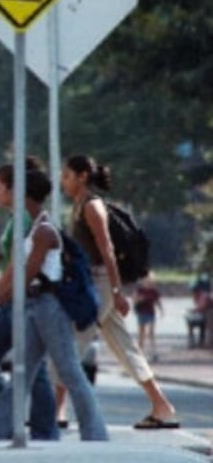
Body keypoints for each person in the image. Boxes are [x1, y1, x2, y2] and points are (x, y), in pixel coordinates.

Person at [0, 170, 108, 442]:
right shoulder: (34, 228)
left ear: (24, 194)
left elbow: (27, 273)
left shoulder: (45, 231)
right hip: (34, 305)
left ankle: (95, 433)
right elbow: (18, 271)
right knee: (22, 374)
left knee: (70, 371)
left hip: (50, 307)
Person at [58, 154, 178, 429]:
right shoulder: (78, 206)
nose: (63, 181)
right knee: (124, 347)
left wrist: (116, 291)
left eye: (66, 176)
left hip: (100, 284)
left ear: (82, 177)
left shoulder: (92, 206)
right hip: (91, 283)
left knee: (70, 343)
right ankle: (161, 406)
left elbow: (107, 251)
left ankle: (56, 411)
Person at [0, 159, 58, 440]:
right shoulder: (15, 219)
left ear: (13, 189)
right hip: (14, 298)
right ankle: (20, 426)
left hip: (19, 300)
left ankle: (10, 425)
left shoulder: (23, 219)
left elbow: (18, 266)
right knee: (31, 368)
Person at [135, 273, 163, 361]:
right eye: (147, 281)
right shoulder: (140, 290)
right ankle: (139, 352)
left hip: (150, 313)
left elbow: (158, 302)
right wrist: (140, 299)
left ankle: (153, 352)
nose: (149, 283)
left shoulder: (154, 291)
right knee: (141, 334)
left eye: (151, 282)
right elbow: (134, 300)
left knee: (151, 332)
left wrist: (161, 310)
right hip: (141, 313)